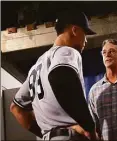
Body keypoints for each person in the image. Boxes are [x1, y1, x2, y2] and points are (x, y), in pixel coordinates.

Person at [10, 10, 97, 141]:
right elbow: (60, 75)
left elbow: (16, 109)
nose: (85, 40)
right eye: (84, 34)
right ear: (74, 30)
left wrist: (49, 135)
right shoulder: (67, 51)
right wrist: (89, 127)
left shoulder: (37, 66)